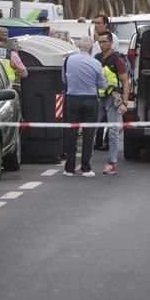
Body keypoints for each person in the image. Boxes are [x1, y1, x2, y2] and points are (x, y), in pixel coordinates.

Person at [62, 36, 107, 178]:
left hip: (72, 99)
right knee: (89, 135)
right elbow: (102, 85)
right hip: (90, 100)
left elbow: (64, 79)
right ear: (92, 48)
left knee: (71, 134)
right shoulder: (96, 63)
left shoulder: (68, 60)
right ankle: (86, 168)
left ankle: (69, 168)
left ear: (78, 46)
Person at [94, 32, 130, 175]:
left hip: (112, 98)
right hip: (98, 97)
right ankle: (85, 163)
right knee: (91, 129)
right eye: (100, 42)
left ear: (111, 43)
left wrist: (125, 103)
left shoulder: (118, 59)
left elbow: (125, 82)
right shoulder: (96, 58)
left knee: (113, 131)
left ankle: (112, 163)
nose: (102, 45)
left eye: (104, 42)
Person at [91, 13, 118, 150]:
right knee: (97, 118)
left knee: (109, 119)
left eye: (99, 23)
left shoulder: (112, 39)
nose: (96, 25)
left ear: (106, 25)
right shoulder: (94, 42)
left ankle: (108, 142)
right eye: (94, 23)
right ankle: (97, 141)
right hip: (97, 89)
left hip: (109, 89)